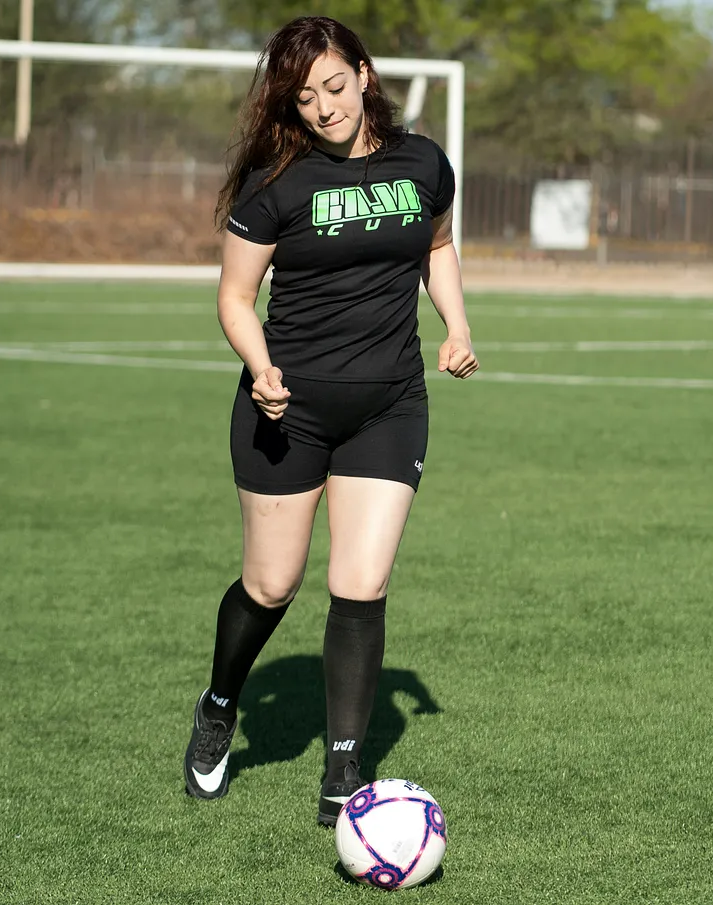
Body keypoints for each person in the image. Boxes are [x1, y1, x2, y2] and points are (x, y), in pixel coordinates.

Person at [182, 15, 478, 828]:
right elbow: (235, 298)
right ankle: (217, 705)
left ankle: (343, 767)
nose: (324, 106)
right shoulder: (276, 181)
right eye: (306, 96)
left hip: (390, 404)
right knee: (273, 581)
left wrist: (456, 325)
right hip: (289, 410)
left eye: (336, 86)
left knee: (361, 581)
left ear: (366, 73)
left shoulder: (423, 163)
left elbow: (438, 247)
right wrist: (262, 366)